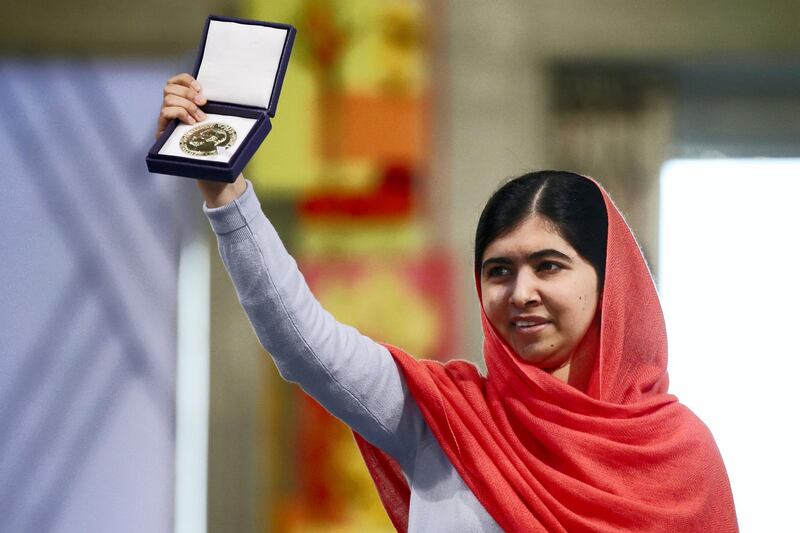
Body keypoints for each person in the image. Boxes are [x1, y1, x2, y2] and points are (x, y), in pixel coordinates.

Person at [158, 73, 739, 532]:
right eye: (499, 271)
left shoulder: (680, 457)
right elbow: (303, 341)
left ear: (610, 280)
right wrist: (225, 188)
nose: (521, 293)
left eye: (549, 265)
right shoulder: (446, 419)